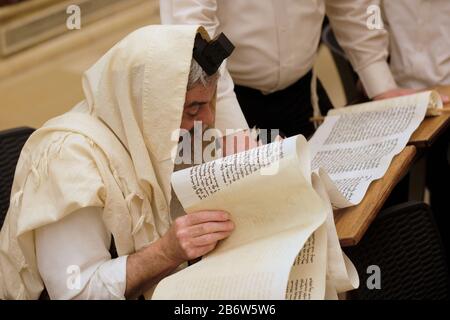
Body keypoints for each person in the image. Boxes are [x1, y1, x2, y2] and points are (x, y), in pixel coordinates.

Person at [0, 25, 237, 300]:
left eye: (208, 104)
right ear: (148, 106)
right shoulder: (69, 162)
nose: (207, 120)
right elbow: (77, 293)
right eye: (193, 109)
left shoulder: (153, 130)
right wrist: (167, 252)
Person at [160, 0, 417, 139]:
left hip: (304, 96)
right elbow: (194, 36)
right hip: (230, 104)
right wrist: (235, 134)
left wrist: (381, 82)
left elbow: (359, 7)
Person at [382, 0, 450, 257]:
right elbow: (359, 23)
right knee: (388, 194)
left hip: (446, 94)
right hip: (396, 94)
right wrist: (378, 82)